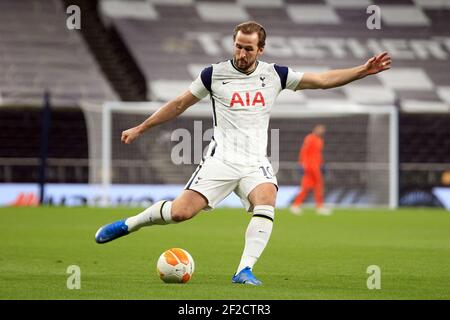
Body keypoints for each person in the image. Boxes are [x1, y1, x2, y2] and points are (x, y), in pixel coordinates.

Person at [94, 21, 391, 285]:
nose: (241, 53)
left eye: (248, 48)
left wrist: (363, 71)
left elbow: (322, 80)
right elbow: (179, 104)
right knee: (179, 213)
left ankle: (244, 270)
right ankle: (129, 224)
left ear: (260, 49)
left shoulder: (275, 75)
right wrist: (141, 128)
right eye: (238, 46)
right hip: (220, 160)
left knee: (267, 199)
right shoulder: (213, 74)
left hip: (254, 163)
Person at [290, 124, 331, 216]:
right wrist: (302, 163)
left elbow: (318, 154)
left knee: (314, 186)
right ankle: (298, 205)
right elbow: (304, 151)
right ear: (315, 129)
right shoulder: (310, 138)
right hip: (309, 166)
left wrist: (322, 164)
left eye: (322, 130)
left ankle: (299, 205)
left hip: (316, 166)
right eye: (320, 129)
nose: (321, 131)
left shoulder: (320, 140)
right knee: (311, 186)